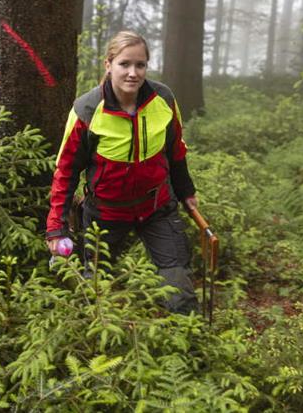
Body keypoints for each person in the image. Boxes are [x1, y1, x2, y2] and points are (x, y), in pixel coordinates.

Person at [45, 30, 199, 315]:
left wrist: (186, 191)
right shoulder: (87, 110)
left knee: (179, 287)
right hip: (106, 214)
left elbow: (175, 151)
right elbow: (65, 172)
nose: (133, 73)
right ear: (108, 65)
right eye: (124, 64)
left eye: (140, 65)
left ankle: (192, 347)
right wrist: (56, 227)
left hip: (157, 209)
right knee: (93, 293)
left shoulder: (163, 99)